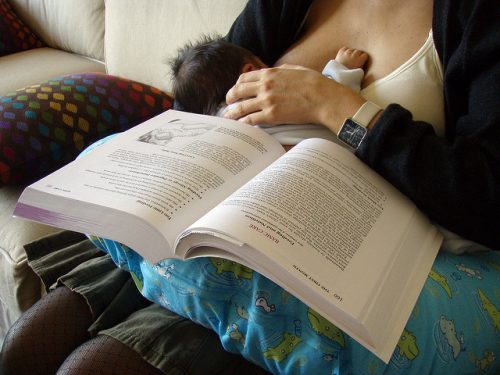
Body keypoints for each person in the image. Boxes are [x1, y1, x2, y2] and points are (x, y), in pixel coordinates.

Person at [2, 0, 499, 374]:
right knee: (26, 348)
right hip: (219, 228)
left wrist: (337, 107)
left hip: (328, 260)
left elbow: (487, 193)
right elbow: (209, 96)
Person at [170, 34, 369, 147]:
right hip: (333, 157)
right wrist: (342, 67)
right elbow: (332, 93)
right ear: (251, 70)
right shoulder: (280, 91)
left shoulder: (218, 126)